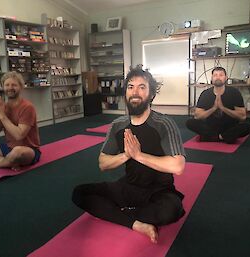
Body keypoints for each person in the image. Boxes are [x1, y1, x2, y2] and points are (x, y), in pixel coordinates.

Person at [72, 65, 186, 243]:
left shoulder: (164, 123)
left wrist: (139, 155)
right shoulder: (118, 125)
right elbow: (103, 163)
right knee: (80, 193)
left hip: (159, 191)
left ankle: (118, 213)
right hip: (129, 187)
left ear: (151, 94)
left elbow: (178, 166)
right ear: (125, 93)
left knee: (171, 211)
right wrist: (126, 155)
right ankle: (136, 223)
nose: (135, 92)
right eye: (131, 87)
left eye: (142, 87)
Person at [186, 66, 250, 144]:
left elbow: (242, 117)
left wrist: (223, 108)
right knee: (190, 122)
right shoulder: (205, 94)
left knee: (248, 127)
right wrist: (214, 108)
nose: (218, 77)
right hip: (211, 126)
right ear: (212, 78)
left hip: (229, 126)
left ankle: (213, 137)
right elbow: (197, 116)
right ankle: (224, 137)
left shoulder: (234, 93)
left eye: (221, 75)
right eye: (215, 75)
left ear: (226, 78)